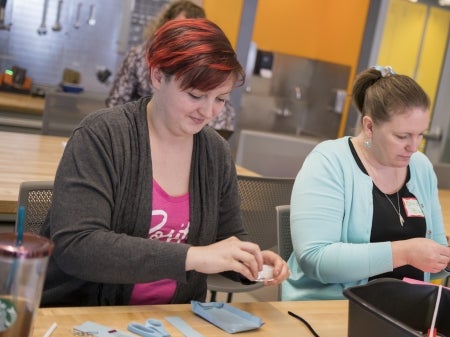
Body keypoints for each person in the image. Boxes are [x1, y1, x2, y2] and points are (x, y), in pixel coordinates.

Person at [40, 18, 289, 307]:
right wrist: (192, 256)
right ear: (158, 76)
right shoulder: (103, 135)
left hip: (175, 317)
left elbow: (227, 237)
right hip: (89, 316)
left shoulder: (215, 152)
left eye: (220, 99)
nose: (209, 112)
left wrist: (250, 263)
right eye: (195, 95)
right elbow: (78, 246)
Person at [281, 66, 450, 301]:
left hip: (403, 310)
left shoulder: (421, 168)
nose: (413, 146)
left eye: (420, 134)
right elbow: (316, 259)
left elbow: (427, 260)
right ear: (369, 126)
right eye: (402, 136)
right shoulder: (330, 162)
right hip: (334, 310)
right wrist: (404, 252)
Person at [105, 0, 236, 136]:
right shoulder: (139, 56)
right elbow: (116, 102)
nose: (186, 39)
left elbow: (222, 121)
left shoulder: (210, 65)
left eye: (194, 33)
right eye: (181, 30)